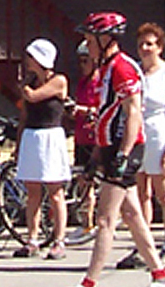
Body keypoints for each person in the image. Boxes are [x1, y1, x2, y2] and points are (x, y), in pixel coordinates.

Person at [73, 11, 165, 287]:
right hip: (109, 147)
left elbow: (134, 114)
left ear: (105, 39)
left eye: (90, 39)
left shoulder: (122, 68)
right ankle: (161, 276)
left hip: (124, 148)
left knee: (105, 220)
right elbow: (107, 114)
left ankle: (89, 282)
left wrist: (123, 155)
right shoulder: (105, 67)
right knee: (132, 215)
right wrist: (96, 156)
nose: (86, 45)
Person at [121, 23, 165, 269]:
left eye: (150, 44)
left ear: (159, 47)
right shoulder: (135, 72)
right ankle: (143, 246)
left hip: (160, 135)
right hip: (139, 135)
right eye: (141, 44)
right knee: (140, 194)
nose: (145, 48)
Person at [16, 38, 73, 259]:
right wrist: (19, 143)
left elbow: (33, 96)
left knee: (55, 192)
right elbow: (24, 115)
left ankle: (59, 240)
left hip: (50, 136)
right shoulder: (31, 82)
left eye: (31, 57)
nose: (27, 61)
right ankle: (32, 238)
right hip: (31, 136)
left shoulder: (58, 81)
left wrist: (23, 86)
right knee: (32, 192)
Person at [68, 38, 103, 246]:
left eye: (85, 61)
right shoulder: (82, 82)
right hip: (81, 135)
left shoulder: (100, 81)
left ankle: (95, 222)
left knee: (94, 180)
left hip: (95, 138)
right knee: (83, 181)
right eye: (80, 61)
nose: (82, 65)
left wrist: (83, 110)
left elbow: (102, 109)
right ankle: (86, 223)